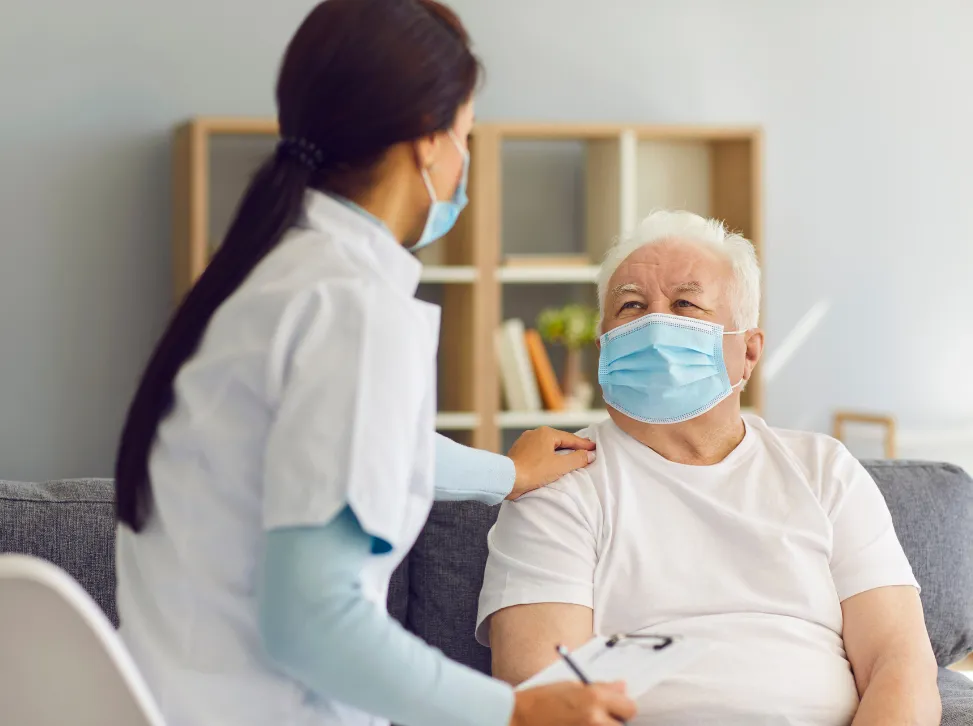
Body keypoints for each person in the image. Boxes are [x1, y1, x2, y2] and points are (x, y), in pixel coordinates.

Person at [111, 2, 637, 726]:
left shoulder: (268, 278)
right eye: (465, 136)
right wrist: (515, 712)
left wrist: (504, 475)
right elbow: (314, 625)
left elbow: (340, 447)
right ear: (428, 143)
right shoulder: (353, 308)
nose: (465, 162)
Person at [476, 211, 942, 726]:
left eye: (685, 304)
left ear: (749, 351)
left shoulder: (825, 470)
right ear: (603, 346)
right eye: (631, 306)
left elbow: (900, 664)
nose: (655, 326)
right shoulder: (557, 480)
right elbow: (543, 694)